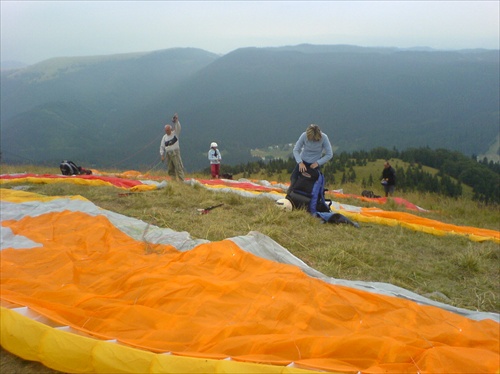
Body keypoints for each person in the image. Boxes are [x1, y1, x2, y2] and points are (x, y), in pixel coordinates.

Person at [289, 124, 333, 191]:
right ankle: (290, 195)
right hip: (302, 162)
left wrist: (318, 163)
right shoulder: (304, 135)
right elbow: (296, 150)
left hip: (314, 165)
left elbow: (329, 154)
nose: (313, 141)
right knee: (294, 178)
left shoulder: (324, 138)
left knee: (312, 184)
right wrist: (300, 162)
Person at [159, 113, 184, 181]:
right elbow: (162, 147)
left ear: (171, 129)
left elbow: (178, 127)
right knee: (170, 168)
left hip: (175, 153)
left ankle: (181, 181)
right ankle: (173, 181)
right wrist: (162, 155)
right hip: (168, 154)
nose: (167, 131)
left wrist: (176, 121)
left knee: (178, 167)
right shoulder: (164, 137)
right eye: (166, 130)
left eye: (168, 130)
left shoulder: (175, 134)